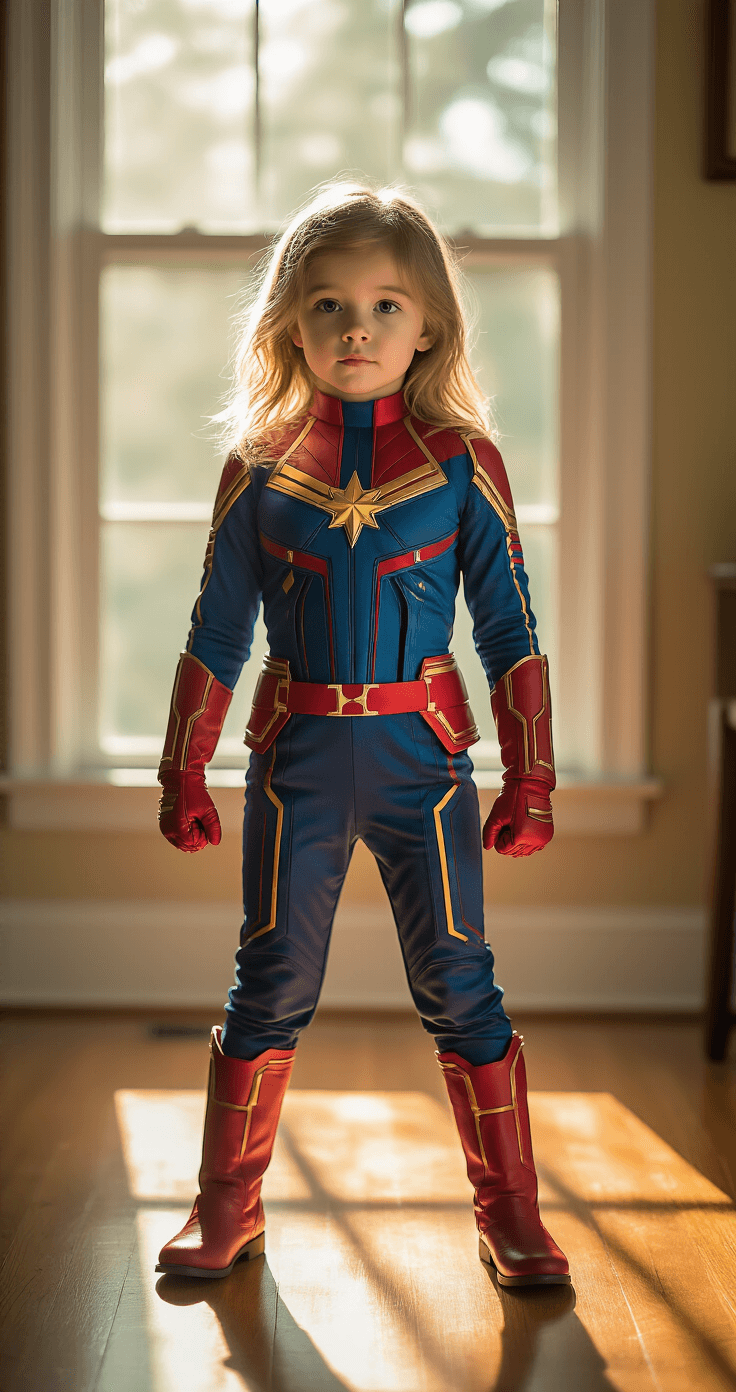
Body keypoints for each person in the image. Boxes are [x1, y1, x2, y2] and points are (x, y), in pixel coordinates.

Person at [154, 183, 570, 1289]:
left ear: (428, 321)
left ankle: (512, 1213)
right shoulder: (256, 464)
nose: (357, 329)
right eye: (330, 304)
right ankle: (226, 1208)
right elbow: (214, 630)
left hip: (421, 767)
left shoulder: (461, 461)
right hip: (293, 766)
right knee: (269, 985)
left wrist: (532, 778)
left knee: (460, 985)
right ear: (290, 318)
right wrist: (181, 766)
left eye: (388, 306)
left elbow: (510, 630)